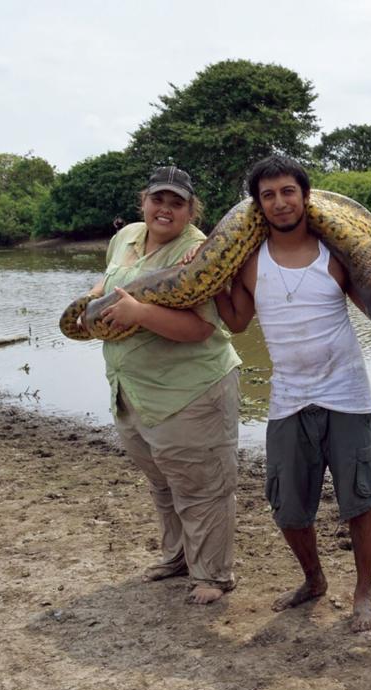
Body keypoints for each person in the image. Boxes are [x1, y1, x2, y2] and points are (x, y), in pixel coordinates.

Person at [214, 155, 371, 632]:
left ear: (305, 196)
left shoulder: (337, 255)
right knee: (287, 506)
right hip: (288, 397)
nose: (280, 202)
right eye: (268, 195)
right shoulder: (250, 261)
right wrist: (211, 278)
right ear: (259, 206)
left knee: (360, 500)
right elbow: (237, 321)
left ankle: (363, 592)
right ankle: (314, 579)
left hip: (347, 394)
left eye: (288, 191)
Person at [84, 165, 241, 605]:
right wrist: (92, 301)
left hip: (190, 390)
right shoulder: (127, 237)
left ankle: (212, 575)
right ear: (144, 201)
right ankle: (176, 557)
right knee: (162, 481)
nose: (165, 209)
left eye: (177, 203)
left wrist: (140, 315)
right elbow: (110, 280)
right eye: (159, 200)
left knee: (202, 486)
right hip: (133, 390)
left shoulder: (199, 253)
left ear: (192, 211)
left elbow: (201, 329)